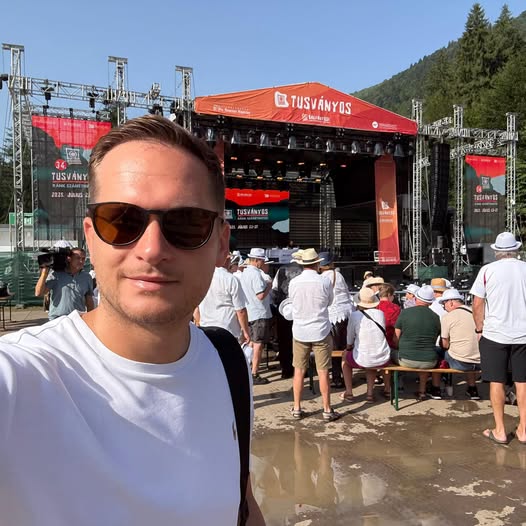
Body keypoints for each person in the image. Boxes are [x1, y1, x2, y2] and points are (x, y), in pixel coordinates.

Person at [0, 115, 264, 525]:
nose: (152, 249)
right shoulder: (22, 379)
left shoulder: (228, 364)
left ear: (221, 243)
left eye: (186, 223)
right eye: (121, 220)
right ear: (90, 238)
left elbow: (241, 506)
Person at [471, 231, 526, 445]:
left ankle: (500, 430)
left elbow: (477, 303)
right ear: (516, 250)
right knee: (523, 382)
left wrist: (479, 328)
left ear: (497, 252)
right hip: (523, 334)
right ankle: (523, 430)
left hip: (495, 333)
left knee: (497, 381)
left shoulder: (487, 270)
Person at [289, 248, 340, 422]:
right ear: (317, 263)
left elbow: (292, 302)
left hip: (300, 331)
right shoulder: (324, 281)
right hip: (320, 330)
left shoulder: (294, 282)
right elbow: (330, 302)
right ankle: (327, 409)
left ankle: (297, 407)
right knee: (323, 371)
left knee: (299, 370)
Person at [393, 285, 442, 400]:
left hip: (405, 360)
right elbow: (436, 338)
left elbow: (395, 338)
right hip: (429, 361)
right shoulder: (436, 317)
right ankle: (422, 391)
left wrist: (401, 348)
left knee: (391, 353)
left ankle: (395, 387)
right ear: (431, 302)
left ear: (415, 298)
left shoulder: (405, 313)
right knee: (424, 359)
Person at [342, 288, 391, 402]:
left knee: (345, 358)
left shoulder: (354, 315)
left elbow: (350, 337)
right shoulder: (380, 314)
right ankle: (369, 394)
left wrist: (348, 347)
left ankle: (349, 392)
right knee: (371, 358)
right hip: (382, 357)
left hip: (364, 358)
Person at [194, 253, 251, 345]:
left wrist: (198, 322)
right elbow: (240, 310)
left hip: (206, 327)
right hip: (227, 328)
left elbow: (196, 307)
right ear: (226, 260)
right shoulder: (232, 279)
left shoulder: (202, 278)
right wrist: (245, 331)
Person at [438, 288, 481, 400]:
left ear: (451, 302)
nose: (444, 307)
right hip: (480, 362)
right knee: (467, 351)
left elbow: (445, 344)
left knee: (438, 352)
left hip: (460, 363)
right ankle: (472, 388)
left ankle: (438, 385)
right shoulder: (476, 313)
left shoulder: (448, 317)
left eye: (444, 304)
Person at [319, 252, 352, 389]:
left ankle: (337, 378)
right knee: (344, 347)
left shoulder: (321, 278)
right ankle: (345, 375)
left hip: (332, 315)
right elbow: (346, 292)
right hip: (345, 313)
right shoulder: (338, 275)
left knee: (334, 349)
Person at [239, 248, 273, 385]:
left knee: (252, 342)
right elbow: (260, 295)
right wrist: (269, 286)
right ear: (257, 260)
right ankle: (254, 373)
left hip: (250, 311)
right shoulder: (256, 274)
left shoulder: (245, 273)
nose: (263, 263)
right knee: (258, 344)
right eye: (262, 260)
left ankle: (248, 369)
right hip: (259, 312)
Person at [35, 246, 94, 319]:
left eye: (83, 258)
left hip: (78, 319)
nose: (81, 261)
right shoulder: (56, 275)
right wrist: (44, 272)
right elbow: (38, 293)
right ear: (69, 259)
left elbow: (89, 301)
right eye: (78, 258)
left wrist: (91, 318)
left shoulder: (87, 277)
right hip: (57, 319)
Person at [271, 250, 303, 378]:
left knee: (284, 339)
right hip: (299, 309)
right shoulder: (304, 270)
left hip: (283, 308)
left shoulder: (281, 270)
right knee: (299, 340)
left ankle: (286, 369)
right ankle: (300, 369)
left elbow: (274, 289)